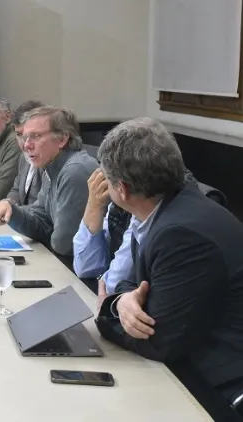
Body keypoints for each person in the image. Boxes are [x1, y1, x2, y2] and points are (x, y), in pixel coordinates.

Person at [92, 117, 243, 415]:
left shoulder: (180, 233)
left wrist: (107, 312)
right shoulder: (164, 210)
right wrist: (122, 301)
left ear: (121, 189)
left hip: (217, 388)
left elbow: (159, 341)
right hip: (188, 361)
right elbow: (138, 285)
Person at [0, 106, 98, 258]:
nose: (26, 145)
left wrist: (46, 230)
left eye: (36, 136)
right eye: (25, 137)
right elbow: (41, 220)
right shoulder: (50, 165)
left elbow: (63, 245)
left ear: (62, 139)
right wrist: (10, 210)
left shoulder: (75, 171)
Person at [73, 165, 197, 293]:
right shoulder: (121, 199)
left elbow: (111, 287)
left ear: (122, 188)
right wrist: (95, 205)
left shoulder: (162, 209)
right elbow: (87, 268)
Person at [0, 100, 45, 217]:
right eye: (19, 135)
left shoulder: (50, 161)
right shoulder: (24, 158)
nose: (25, 144)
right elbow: (15, 192)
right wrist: (4, 205)